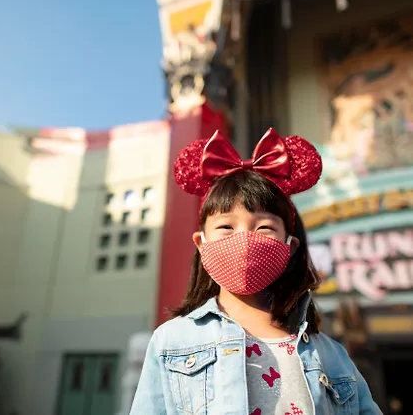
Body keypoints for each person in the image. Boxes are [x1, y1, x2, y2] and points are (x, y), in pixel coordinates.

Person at [130, 128, 382, 415]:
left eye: (264, 227)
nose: (245, 241)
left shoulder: (331, 355)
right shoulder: (172, 341)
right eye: (226, 226)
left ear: (289, 246)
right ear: (201, 243)